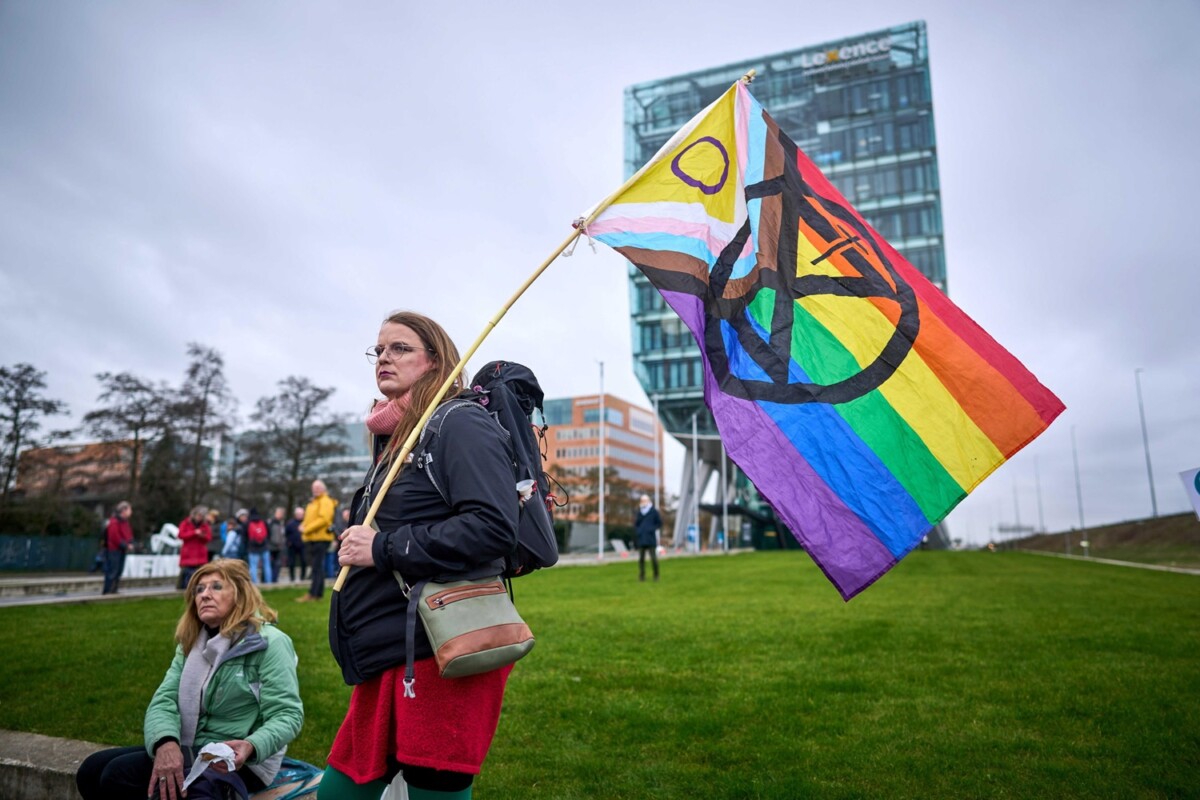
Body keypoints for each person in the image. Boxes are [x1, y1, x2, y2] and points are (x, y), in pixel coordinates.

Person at [324, 311, 519, 800]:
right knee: (339, 793)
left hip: (438, 652)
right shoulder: (398, 433)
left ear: (435, 360)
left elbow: (493, 527)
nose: (384, 358)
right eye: (379, 350)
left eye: (400, 348)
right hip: (390, 650)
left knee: (434, 791)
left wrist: (384, 546)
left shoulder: (459, 422)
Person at [75, 560, 304, 799]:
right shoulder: (192, 642)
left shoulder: (270, 643)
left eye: (216, 587)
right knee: (91, 770)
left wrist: (252, 745)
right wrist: (165, 742)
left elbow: (287, 714)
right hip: (191, 744)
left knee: (117, 775)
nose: (205, 595)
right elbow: (164, 700)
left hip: (239, 759)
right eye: (199, 589)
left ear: (240, 594)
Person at [296, 481, 337, 602]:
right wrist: (302, 525)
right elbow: (309, 519)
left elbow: (324, 519)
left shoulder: (325, 501)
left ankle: (315, 594)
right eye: (314, 487)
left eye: (318, 487)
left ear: (324, 489)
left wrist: (306, 529)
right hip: (313, 538)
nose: (315, 489)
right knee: (316, 567)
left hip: (321, 538)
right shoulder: (313, 502)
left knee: (317, 567)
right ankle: (315, 593)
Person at [102, 501, 134, 595]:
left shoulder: (124, 522)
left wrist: (130, 542)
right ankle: (108, 590)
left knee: (119, 570)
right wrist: (125, 545)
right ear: (123, 510)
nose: (130, 512)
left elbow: (128, 534)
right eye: (129, 509)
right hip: (114, 550)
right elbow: (114, 537)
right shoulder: (114, 522)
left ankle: (114, 589)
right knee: (113, 570)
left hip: (121, 549)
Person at [176, 506, 212, 590]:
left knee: (201, 574)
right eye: (198, 515)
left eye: (201, 516)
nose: (199, 518)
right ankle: (183, 588)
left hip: (200, 553)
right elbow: (180, 535)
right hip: (188, 552)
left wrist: (201, 535)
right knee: (186, 573)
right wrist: (193, 533)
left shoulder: (205, 525)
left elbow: (208, 538)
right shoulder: (185, 523)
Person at [633, 494, 662, 582]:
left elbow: (659, 523)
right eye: (642, 501)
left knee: (653, 558)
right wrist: (639, 531)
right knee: (641, 559)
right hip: (642, 539)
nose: (643, 502)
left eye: (645, 501)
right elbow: (636, 524)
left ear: (648, 501)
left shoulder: (654, 512)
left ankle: (656, 575)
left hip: (650, 538)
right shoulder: (639, 513)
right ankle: (642, 576)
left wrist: (651, 529)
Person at [246, 508, 273, 584]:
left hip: (253, 548)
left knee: (253, 566)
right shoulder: (263, 522)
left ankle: (255, 583)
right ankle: (269, 582)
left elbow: (245, 536)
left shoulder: (248, 523)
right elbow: (269, 533)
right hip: (264, 547)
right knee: (267, 565)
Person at [285, 506, 306, 582]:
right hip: (292, 546)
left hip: (302, 545)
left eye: (301, 514)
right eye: (298, 514)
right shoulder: (290, 523)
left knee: (304, 561)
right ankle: (292, 577)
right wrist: (289, 543)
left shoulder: (305, 522)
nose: (300, 516)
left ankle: (303, 577)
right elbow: (286, 534)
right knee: (291, 562)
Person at [267, 506, 287, 583]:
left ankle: (274, 579)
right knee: (271, 564)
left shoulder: (281, 523)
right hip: (272, 547)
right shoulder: (271, 522)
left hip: (279, 547)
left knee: (278, 564)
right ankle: (270, 579)